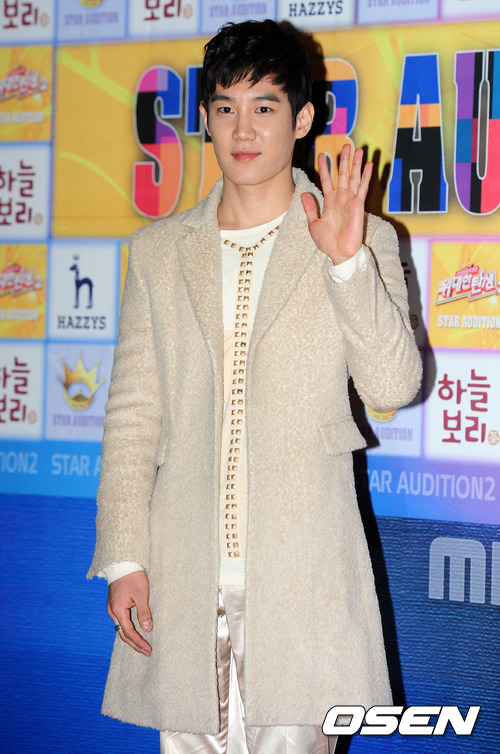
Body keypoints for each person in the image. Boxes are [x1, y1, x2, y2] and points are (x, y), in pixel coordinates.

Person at [88, 18, 422, 754]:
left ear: (301, 120)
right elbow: (133, 417)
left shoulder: (363, 237)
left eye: (264, 106)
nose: (243, 129)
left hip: (304, 575)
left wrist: (345, 266)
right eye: (225, 107)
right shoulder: (158, 252)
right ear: (206, 118)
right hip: (182, 574)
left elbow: (394, 383)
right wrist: (125, 558)